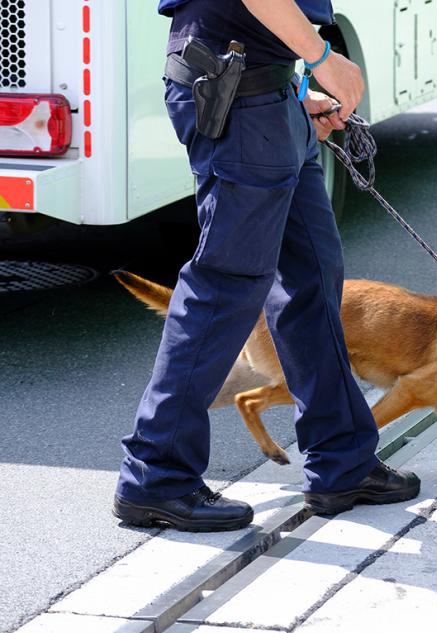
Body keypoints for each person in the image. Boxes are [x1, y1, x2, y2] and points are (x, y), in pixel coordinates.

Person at [112, 0, 419, 532]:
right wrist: (323, 56)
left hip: (266, 96)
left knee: (312, 280)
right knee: (224, 288)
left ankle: (342, 462)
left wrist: (297, 89)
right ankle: (155, 478)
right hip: (239, 101)